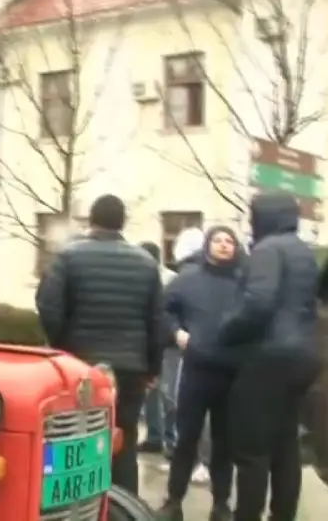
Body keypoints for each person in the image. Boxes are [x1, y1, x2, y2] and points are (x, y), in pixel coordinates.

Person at [35, 194, 164, 495]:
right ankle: (124, 504)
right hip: (131, 367)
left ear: (91, 220)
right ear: (123, 223)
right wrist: (152, 368)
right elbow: (158, 322)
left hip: (80, 365)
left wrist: (61, 348)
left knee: (72, 436)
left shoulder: (69, 257)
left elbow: (48, 306)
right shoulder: (146, 264)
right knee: (125, 437)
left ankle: (74, 504)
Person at [218, 191, 321, 521]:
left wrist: (228, 330)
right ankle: (283, 515)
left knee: (252, 450)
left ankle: (247, 515)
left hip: (270, 355)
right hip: (304, 356)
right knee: (285, 445)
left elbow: (258, 304)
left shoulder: (267, 249)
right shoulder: (303, 251)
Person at [157, 226, 247, 521]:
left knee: (225, 442)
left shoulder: (246, 281)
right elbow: (162, 310)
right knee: (186, 438)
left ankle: (221, 504)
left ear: (235, 247)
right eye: (218, 240)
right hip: (196, 369)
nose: (223, 245)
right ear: (208, 246)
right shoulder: (188, 279)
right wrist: (176, 333)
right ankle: (173, 501)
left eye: (229, 241)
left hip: (232, 373)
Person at [139, 241, 178, 456]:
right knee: (152, 392)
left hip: (167, 344)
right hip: (152, 342)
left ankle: (170, 440)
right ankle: (155, 437)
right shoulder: (155, 277)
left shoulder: (169, 280)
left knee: (168, 393)